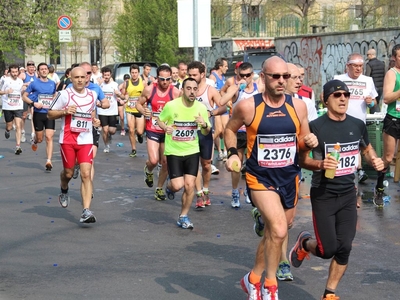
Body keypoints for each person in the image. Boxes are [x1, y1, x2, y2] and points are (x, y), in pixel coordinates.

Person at [224, 56, 318, 300]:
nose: (281, 81)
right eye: (275, 76)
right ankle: (270, 285)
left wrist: (310, 142)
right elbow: (230, 129)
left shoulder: (299, 106)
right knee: (277, 229)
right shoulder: (248, 106)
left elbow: (302, 144)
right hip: (260, 178)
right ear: (263, 77)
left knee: (277, 232)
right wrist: (233, 154)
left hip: (289, 177)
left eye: (285, 76)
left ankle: (252, 278)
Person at [290, 79, 384, 300]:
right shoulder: (316, 127)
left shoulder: (357, 124)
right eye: (337, 95)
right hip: (324, 194)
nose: (343, 98)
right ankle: (304, 243)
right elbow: (302, 161)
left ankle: (329, 293)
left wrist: (375, 159)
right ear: (325, 99)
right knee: (327, 250)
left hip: (348, 194)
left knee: (345, 247)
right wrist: (321, 164)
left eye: (346, 95)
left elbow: (366, 147)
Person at [48, 67, 101, 223]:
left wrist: (95, 120)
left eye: (82, 77)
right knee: (69, 173)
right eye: (76, 77)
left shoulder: (93, 94)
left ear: (87, 79)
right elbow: (50, 113)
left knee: (86, 174)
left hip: (86, 140)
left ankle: (86, 211)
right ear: (70, 78)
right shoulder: (64, 95)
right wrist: (64, 111)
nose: (79, 80)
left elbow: (90, 113)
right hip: (68, 140)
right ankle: (64, 188)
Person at [157, 77, 211, 229]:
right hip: (174, 151)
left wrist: (204, 124)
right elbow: (160, 120)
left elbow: (207, 131)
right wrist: (164, 127)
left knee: (189, 185)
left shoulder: (201, 108)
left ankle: (183, 216)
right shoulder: (171, 106)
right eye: (189, 88)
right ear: (182, 90)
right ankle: (169, 187)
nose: (192, 92)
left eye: (195, 89)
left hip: (192, 150)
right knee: (177, 185)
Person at [136, 64, 180, 200]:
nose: (165, 82)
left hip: (168, 131)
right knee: (154, 160)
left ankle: (159, 188)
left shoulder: (176, 92)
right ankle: (148, 170)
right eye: (162, 79)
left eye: (168, 79)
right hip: (153, 129)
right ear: (157, 78)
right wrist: (143, 110)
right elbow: (138, 103)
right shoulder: (150, 90)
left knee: (165, 162)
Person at [220, 62, 260, 208]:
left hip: (254, 132)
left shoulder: (258, 87)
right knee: (237, 164)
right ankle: (235, 192)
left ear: (252, 75)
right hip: (238, 131)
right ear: (237, 75)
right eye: (241, 75)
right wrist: (236, 87)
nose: (245, 78)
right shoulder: (235, 88)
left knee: (252, 164)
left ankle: (250, 190)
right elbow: (221, 101)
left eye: (248, 75)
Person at [334, 52, 378, 183]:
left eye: (361, 66)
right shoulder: (338, 79)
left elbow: (375, 101)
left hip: (359, 122)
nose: (358, 69)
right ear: (348, 66)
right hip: (340, 120)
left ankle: (358, 171)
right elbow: (326, 96)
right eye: (355, 66)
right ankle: (344, 172)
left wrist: (370, 102)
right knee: (341, 148)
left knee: (357, 147)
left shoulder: (368, 80)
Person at [187, 61, 226, 208]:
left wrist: (211, 112)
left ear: (202, 74)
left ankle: (206, 189)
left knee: (206, 164)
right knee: (194, 164)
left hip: (205, 132)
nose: (191, 77)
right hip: (190, 132)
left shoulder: (210, 90)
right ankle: (198, 193)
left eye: (194, 75)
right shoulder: (185, 89)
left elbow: (223, 107)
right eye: (189, 75)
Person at [374, 44, 400, 206]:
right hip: (394, 118)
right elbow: (387, 98)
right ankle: (379, 189)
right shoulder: (392, 74)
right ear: (394, 58)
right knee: (388, 157)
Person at [22, 63, 57, 170]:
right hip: (38, 113)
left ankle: (49, 161)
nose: (44, 71)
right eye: (41, 69)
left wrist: (55, 103)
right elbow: (24, 96)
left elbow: (55, 95)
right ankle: (35, 140)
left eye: (45, 69)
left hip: (50, 114)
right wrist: (33, 103)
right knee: (40, 139)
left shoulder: (52, 83)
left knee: (49, 137)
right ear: (38, 71)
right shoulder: (34, 83)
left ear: (48, 71)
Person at [120, 64, 145, 157]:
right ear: (130, 73)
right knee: (131, 130)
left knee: (139, 131)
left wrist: (144, 104)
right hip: (129, 108)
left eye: (136, 73)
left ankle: (139, 135)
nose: (134, 74)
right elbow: (123, 95)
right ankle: (133, 149)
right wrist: (123, 96)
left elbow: (146, 95)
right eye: (132, 73)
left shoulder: (143, 82)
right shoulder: (126, 83)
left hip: (139, 109)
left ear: (138, 73)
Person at [98, 66, 124, 152]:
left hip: (112, 111)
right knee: (105, 130)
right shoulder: (100, 85)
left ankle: (110, 136)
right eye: (105, 75)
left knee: (112, 131)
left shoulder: (114, 85)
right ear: (102, 75)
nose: (106, 77)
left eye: (108, 75)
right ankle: (106, 146)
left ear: (110, 75)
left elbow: (121, 96)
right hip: (102, 110)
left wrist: (118, 94)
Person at [0, 64, 24, 154]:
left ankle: (18, 146)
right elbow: (0, 92)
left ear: (18, 72)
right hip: (7, 106)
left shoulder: (20, 81)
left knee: (18, 125)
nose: (14, 74)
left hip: (18, 106)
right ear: (10, 72)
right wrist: (6, 91)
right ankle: (7, 130)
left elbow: (22, 91)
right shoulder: (5, 80)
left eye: (16, 72)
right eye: (13, 72)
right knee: (9, 126)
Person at [365, 48, 385, 113]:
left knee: (373, 103)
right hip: (381, 87)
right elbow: (384, 75)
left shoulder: (369, 64)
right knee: (378, 102)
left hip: (373, 87)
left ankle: (373, 119)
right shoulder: (382, 64)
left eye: (367, 55)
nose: (367, 56)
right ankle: (378, 118)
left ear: (371, 55)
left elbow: (367, 76)